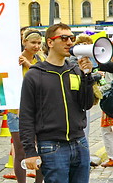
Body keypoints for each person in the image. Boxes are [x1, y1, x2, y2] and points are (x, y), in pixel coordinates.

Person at [19, 23, 94, 183]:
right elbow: (26, 116)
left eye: (71, 38)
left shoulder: (74, 69)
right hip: (52, 146)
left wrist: (87, 77)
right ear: (50, 42)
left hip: (80, 143)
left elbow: (86, 104)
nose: (69, 42)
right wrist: (30, 151)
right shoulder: (35, 75)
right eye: (64, 38)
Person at [6, 29, 44, 183]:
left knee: (40, 150)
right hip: (17, 111)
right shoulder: (15, 60)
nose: (36, 46)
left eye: (39, 43)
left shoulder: (40, 60)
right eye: (33, 42)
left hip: (38, 111)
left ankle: (38, 182)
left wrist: (29, 65)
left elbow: (44, 80)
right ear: (24, 43)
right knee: (20, 150)